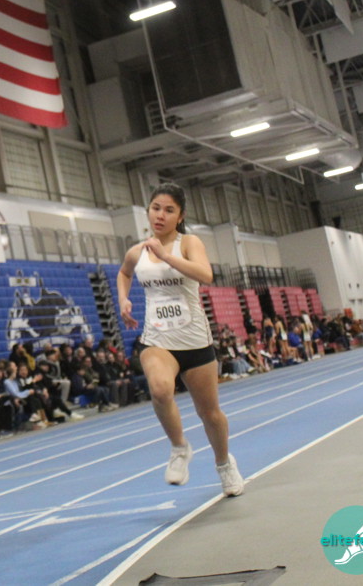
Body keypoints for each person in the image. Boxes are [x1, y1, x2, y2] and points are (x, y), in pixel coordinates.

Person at [117, 183, 244, 497]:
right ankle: (179, 447)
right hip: (157, 339)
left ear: (180, 216)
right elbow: (124, 273)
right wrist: (123, 299)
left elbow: (205, 275)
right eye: (155, 208)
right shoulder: (137, 252)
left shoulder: (189, 243)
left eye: (169, 210)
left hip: (195, 342)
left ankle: (224, 464)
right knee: (160, 390)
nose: (160, 215)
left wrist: (166, 256)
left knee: (210, 414)